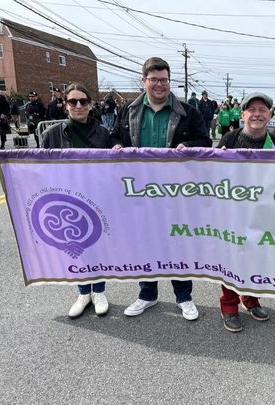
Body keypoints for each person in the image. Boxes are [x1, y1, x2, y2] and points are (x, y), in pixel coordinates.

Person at [111, 56, 212, 320]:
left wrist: (188, 146)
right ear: (144, 81)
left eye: (164, 80)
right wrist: (117, 148)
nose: (159, 85)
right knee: (144, 243)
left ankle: (184, 297)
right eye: (154, 80)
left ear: (169, 81)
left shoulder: (187, 111)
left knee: (178, 242)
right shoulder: (129, 111)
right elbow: (115, 140)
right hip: (139, 191)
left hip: (176, 192)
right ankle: (147, 294)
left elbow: (204, 140)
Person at [41, 83, 111, 318]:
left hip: (96, 198)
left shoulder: (103, 133)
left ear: (90, 104)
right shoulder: (51, 134)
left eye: (83, 101)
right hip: (67, 201)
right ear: (65, 105)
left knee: (97, 246)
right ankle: (83, 292)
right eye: (73, 101)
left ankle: (99, 291)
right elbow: (41, 170)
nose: (78, 105)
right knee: (76, 247)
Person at [216, 92, 275, 332]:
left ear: (270, 115)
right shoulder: (230, 138)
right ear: (243, 114)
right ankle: (229, 305)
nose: (257, 114)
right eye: (252, 110)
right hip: (232, 212)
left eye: (262, 110)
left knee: (256, 258)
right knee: (232, 259)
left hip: (261, 212)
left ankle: (251, 299)